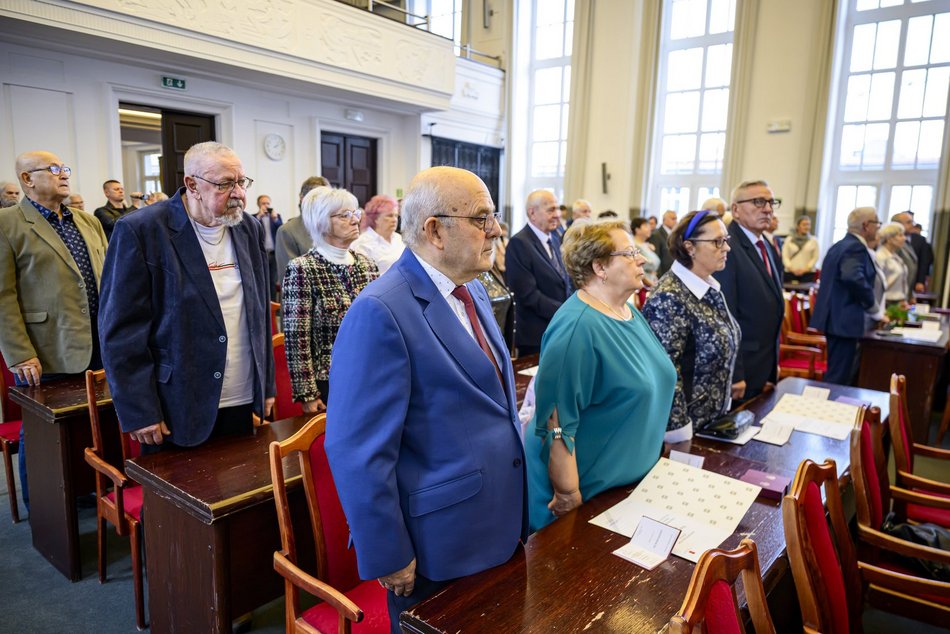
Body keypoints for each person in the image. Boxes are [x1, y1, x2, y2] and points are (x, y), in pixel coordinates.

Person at [325, 166, 526, 632]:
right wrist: (388, 552)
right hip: (438, 546)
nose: (495, 229)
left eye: (493, 216)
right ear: (435, 230)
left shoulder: (472, 288)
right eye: (481, 218)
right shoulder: (381, 310)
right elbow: (357, 450)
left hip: (497, 524)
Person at [99, 141, 275, 451]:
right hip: (177, 404)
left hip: (242, 395)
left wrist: (267, 385)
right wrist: (140, 410)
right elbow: (121, 330)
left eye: (241, 182)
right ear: (192, 185)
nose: (238, 193)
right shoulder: (141, 230)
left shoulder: (248, 228)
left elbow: (259, 312)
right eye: (224, 184)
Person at [526, 219, 675, 532]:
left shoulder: (627, 311)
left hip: (630, 488)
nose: (643, 259)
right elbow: (556, 424)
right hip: (589, 497)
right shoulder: (577, 328)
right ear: (599, 267)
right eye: (630, 253)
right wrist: (568, 495)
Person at [0, 151, 108, 511]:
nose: (64, 175)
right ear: (27, 179)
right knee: (43, 435)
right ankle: (45, 507)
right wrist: (18, 353)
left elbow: (106, 279)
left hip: (97, 343)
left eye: (65, 169)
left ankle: (87, 489)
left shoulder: (86, 221)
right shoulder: (8, 223)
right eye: (54, 169)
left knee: (94, 425)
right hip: (45, 350)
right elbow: (2, 295)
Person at [643, 211, 740, 442]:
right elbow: (663, 370)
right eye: (718, 241)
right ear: (690, 247)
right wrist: (678, 432)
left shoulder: (707, 286)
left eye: (726, 240)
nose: (726, 247)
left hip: (710, 421)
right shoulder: (669, 296)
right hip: (684, 430)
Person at [282, 186, 378, 413]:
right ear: (321, 221)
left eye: (356, 213)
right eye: (345, 215)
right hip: (329, 382)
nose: (355, 220)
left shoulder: (367, 265)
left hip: (371, 374)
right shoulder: (302, 268)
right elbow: (297, 338)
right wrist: (307, 393)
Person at [713, 180, 784, 401]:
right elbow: (725, 315)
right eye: (758, 202)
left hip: (763, 363)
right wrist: (735, 372)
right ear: (735, 209)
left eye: (771, 203)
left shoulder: (767, 245)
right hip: (741, 369)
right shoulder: (728, 247)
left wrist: (773, 363)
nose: (768, 209)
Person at [810, 207, 884, 385]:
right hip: (844, 319)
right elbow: (853, 277)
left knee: (838, 371)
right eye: (877, 223)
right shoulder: (855, 247)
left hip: (836, 318)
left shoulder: (840, 244)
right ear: (866, 225)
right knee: (839, 375)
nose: (879, 228)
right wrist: (872, 306)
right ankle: (830, 410)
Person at [506, 190, 572, 355]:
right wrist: (566, 311)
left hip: (559, 327)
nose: (557, 214)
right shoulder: (519, 243)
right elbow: (528, 295)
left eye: (558, 209)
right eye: (551, 210)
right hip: (536, 335)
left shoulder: (555, 239)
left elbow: (564, 280)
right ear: (532, 213)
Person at [275, 175, 330, 283]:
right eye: (320, 198)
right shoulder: (287, 231)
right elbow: (290, 278)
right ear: (303, 198)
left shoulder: (332, 227)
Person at [351, 193, 404, 274]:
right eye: (389, 216)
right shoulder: (363, 244)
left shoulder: (399, 238)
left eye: (396, 216)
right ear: (375, 219)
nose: (394, 220)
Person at [892, 211, 933, 293]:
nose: (913, 225)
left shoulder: (920, 240)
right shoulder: (890, 240)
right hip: (895, 283)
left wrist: (920, 281)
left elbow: (923, 262)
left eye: (912, 221)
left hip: (910, 283)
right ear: (898, 225)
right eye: (909, 222)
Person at [253, 194, 283, 301]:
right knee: (261, 280)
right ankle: (263, 304)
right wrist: (258, 217)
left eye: (268, 203)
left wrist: (275, 219)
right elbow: (252, 232)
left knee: (272, 281)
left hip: (274, 254)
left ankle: (273, 306)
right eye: (263, 203)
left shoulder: (276, 216)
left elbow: (281, 230)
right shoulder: (254, 218)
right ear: (258, 205)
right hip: (260, 254)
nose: (266, 206)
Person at [875, 223, 909, 307]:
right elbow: (876, 284)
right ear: (889, 239)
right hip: (885, 302)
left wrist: (903, 299)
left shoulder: (896, 257)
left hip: (898, 302)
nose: (904, 238)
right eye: (900, 235)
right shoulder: (880, 256)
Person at [781, 216, 819, 283]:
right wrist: (791, 269)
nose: (806, 227)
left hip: (807, 274)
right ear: (798, 226)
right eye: (804, 224)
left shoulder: (814, 241)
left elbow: (815, 257)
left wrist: (805, 269)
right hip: (790, 273)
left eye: (808, 224)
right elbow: (785, 256)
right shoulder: (789, 240)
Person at [630, 217, 660, 285]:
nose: (649, 229)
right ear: (637, 230)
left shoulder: (647, 245)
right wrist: (651, 285)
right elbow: (635, 269)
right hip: (642, 284)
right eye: (646, 226)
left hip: (652, 280)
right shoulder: (633, 246)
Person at [648, 209, 676, 275]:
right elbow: (656, 258)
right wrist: (659, 277)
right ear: (665, 219)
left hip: (672, 272)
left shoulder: (673, 234)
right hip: (662, 274)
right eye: (673, 219)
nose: (675, 221)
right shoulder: (656, 235)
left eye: (676, 219)